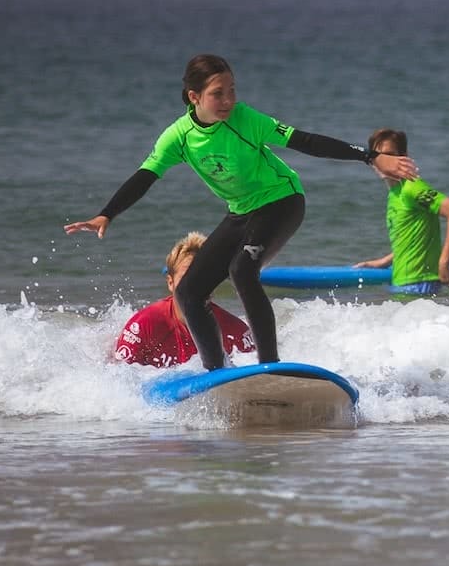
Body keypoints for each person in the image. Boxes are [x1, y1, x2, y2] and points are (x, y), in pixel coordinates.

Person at [65, 54, 418, 371]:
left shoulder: (246, 119)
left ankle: (270, 366)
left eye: (232, 90)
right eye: (218, 94)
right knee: (188, 292)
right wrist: (107, 214)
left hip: (282, 201)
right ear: (194, 97)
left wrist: (370, 157)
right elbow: (146, 175)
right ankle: (217, 373)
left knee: (242, 270)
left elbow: (306, 141)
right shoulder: (179, 136)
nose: (229, 101)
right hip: (242, 212)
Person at [353, 129, 449, 296]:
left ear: (404, 157)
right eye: (377, 155)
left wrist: (444, 263)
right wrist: (384, 261)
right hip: (402, 282)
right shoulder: (395, 193)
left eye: (390, 154)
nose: (384, 161)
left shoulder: (412, 188)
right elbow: (412, 238)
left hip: (420, 285)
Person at [113, 231, 256, 368]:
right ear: (170, 283)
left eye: (203, 276)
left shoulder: (236, 331)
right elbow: (118, 374)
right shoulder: (144, 326)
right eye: (186, 277)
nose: (194, 284)